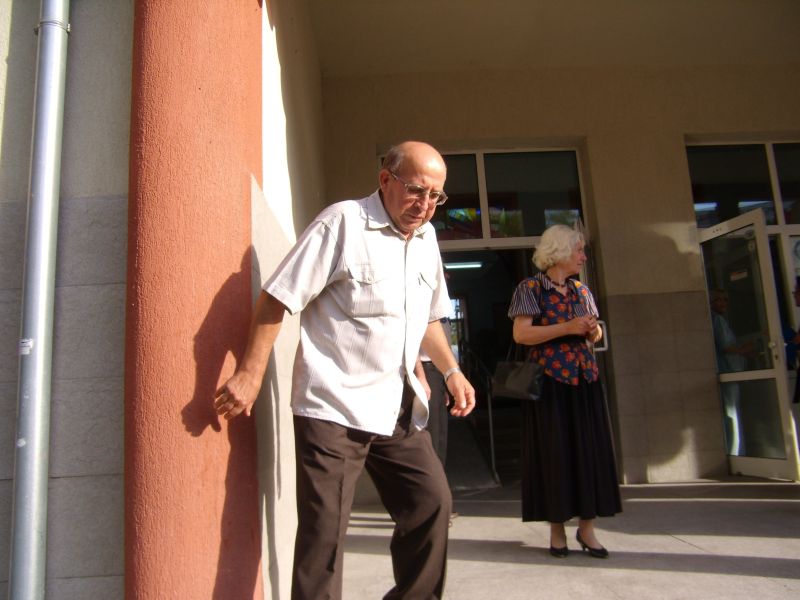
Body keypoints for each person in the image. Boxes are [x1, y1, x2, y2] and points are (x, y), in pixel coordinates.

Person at [214, 141, 476, 600]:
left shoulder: (426, 239)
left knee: (432, 504)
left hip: (396, 404)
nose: (425, 205)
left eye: (436, 196)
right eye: (416, 190)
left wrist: (452, 370)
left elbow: (428, 318)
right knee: (324, 539)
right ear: (385, 179)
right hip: (333, 407)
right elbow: (277, 296)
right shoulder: (342, 223)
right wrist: (250, 373)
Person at [507, 224, 621, 559]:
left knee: (589, 453)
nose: (583, 257)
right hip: (549, 385)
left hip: (584, 381)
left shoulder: (581, 291)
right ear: (559, 252)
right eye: (579, 250)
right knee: (554, 454)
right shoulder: (530, 288)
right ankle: (557, 531)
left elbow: (595, 334)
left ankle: (587, 529)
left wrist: (592, 331)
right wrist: (567, 327)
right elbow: (521, 335)